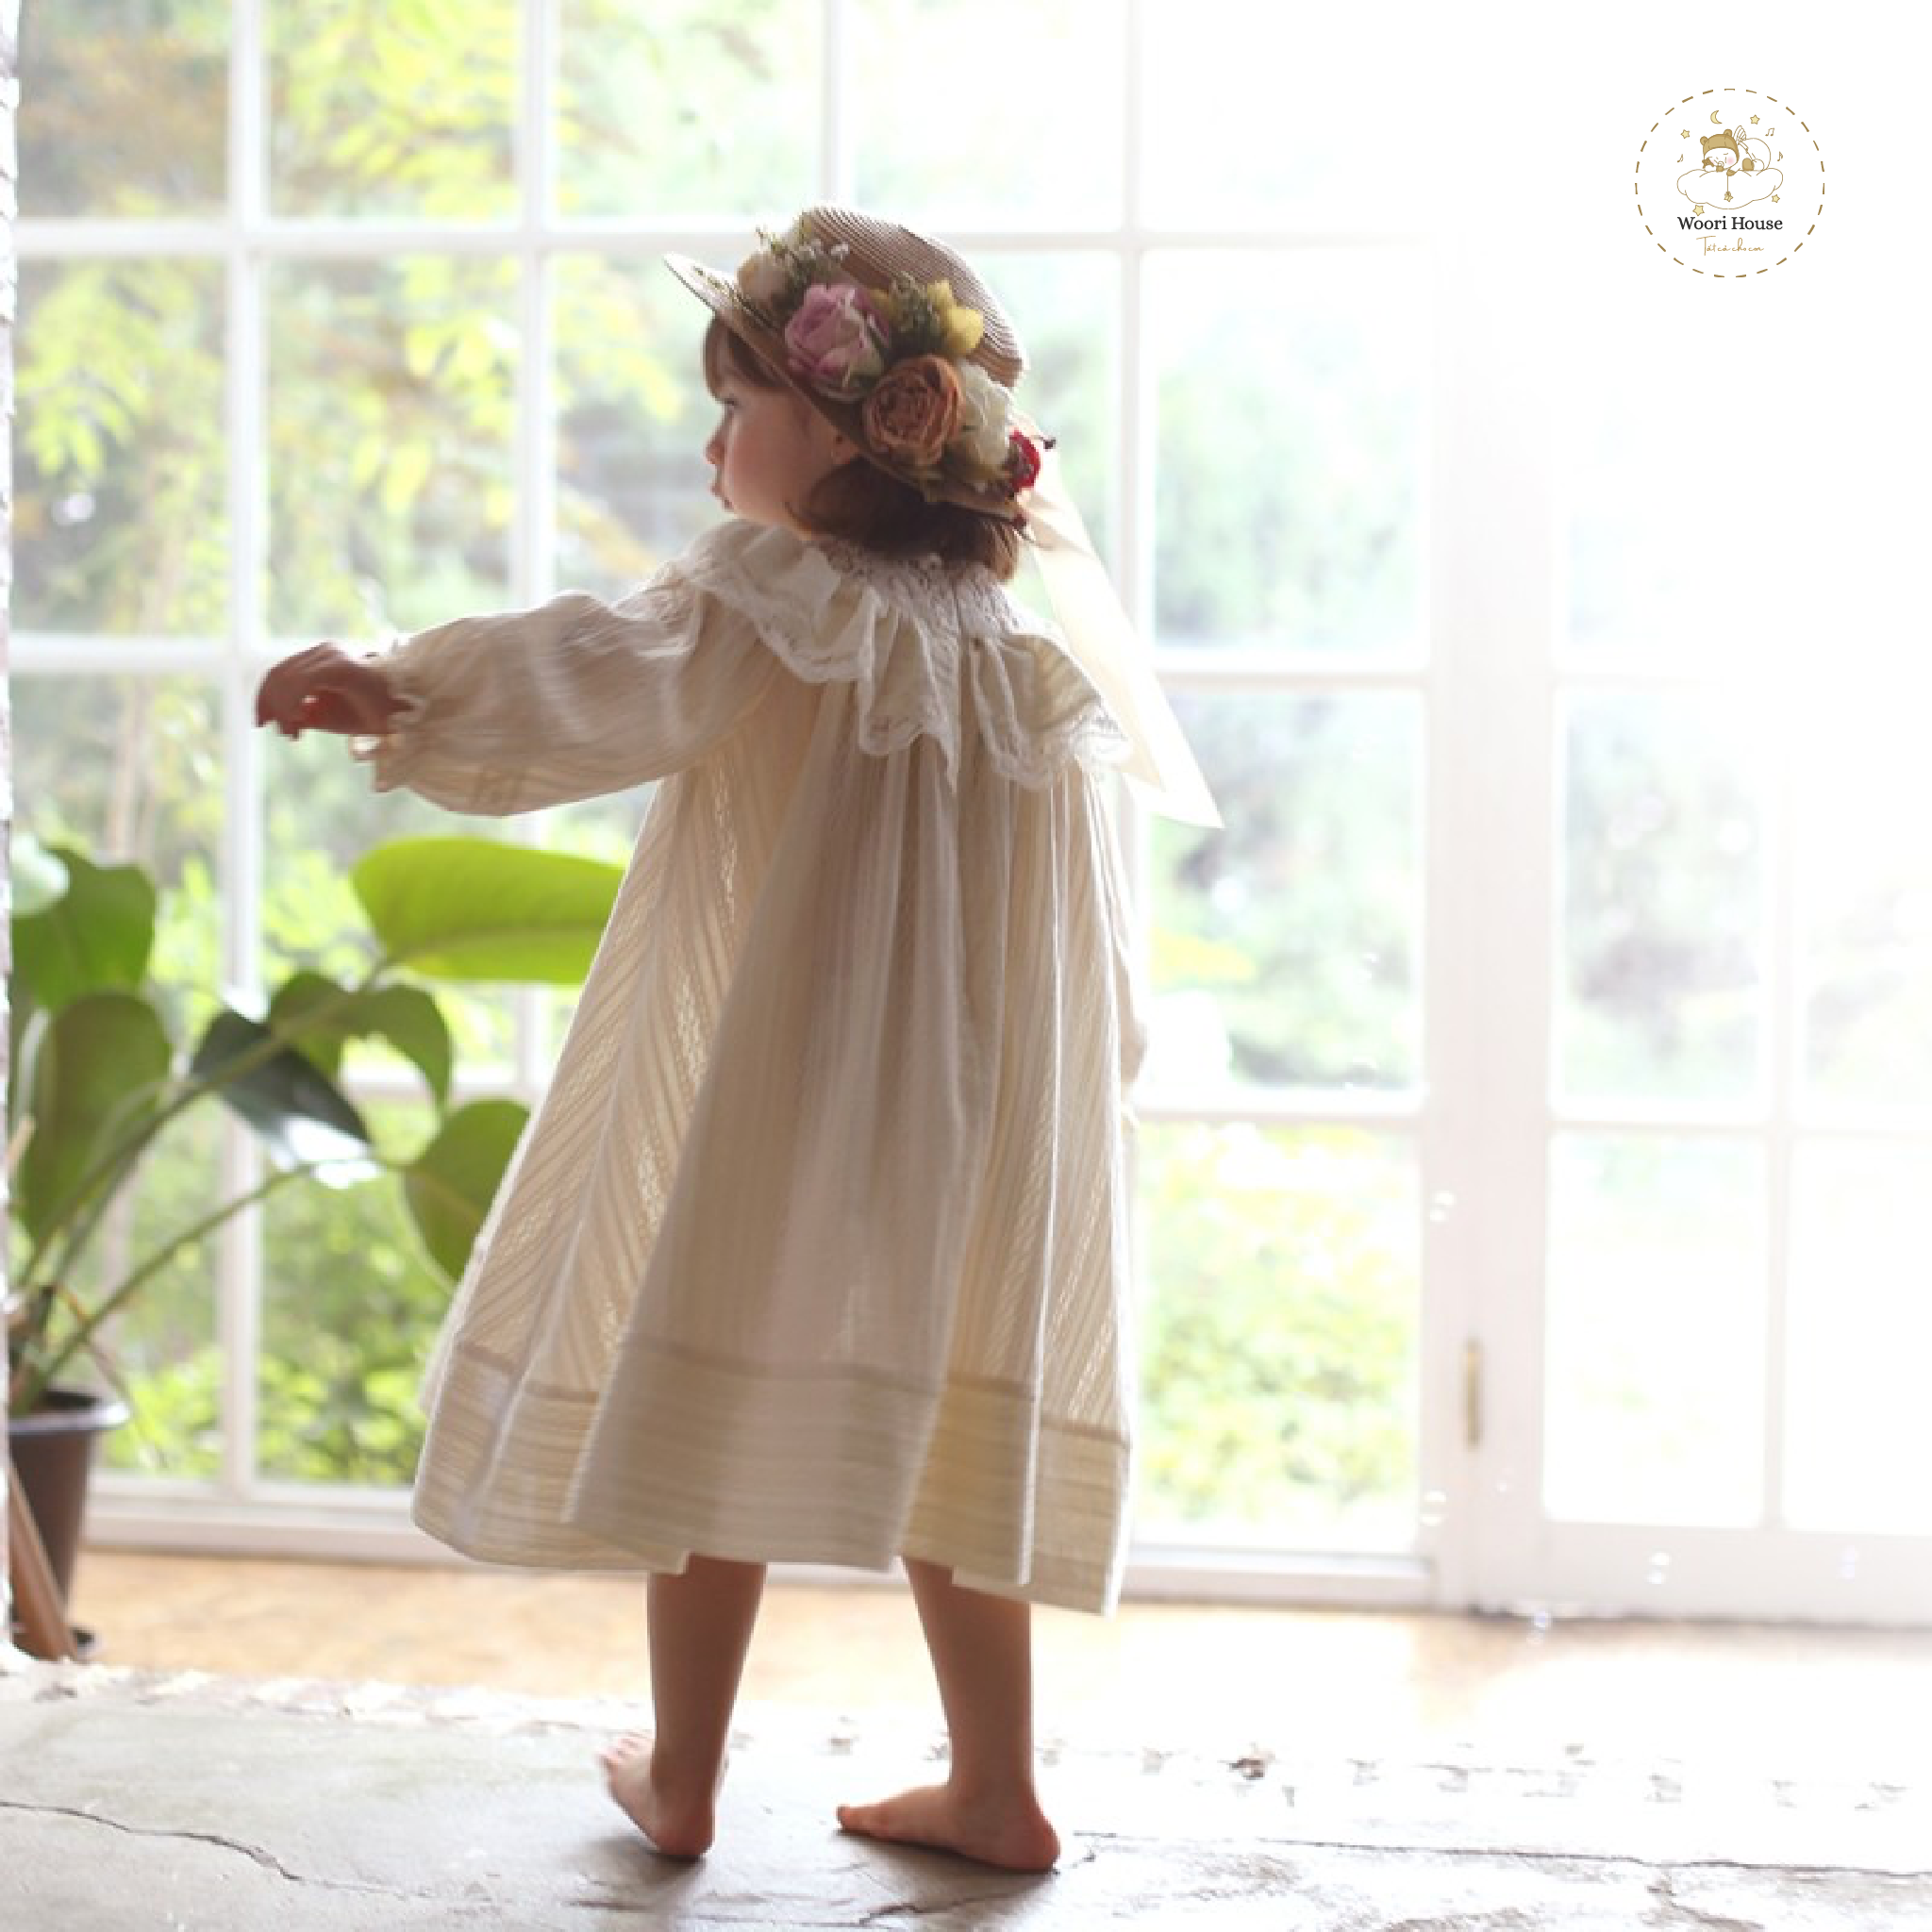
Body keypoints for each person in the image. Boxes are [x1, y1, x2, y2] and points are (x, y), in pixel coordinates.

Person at [255, 206, 1215, 1874]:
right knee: (954, 1402)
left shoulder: (778, 595)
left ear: (845, 432)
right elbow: (1089, 919)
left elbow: (604, 669)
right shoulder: (1016, 652)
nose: (713, 446)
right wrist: (1099, 1070)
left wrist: (402, 682)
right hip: (978, 1112)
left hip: (789, 1080)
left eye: (736, 407)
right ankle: (996, 1783)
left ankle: (685, 1776)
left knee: (707, 1364)